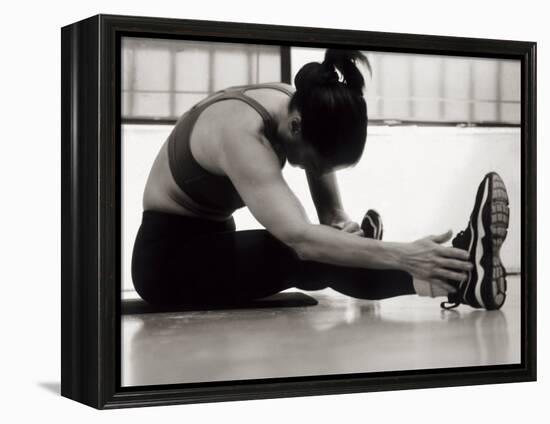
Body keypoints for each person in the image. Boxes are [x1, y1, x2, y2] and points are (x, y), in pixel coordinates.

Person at [131, 49, 509, 310]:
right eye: (314, 161)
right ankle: (457, 278)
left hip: (214, 242)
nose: (310, 168)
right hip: (168, 264)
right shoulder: (241, 132)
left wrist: (341, 228)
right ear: (295, 128)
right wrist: (403, 254)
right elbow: (301, 239)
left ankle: (449, 272)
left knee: (328, 244)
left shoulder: (302, 108)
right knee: (299, 252)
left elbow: (329, 214)